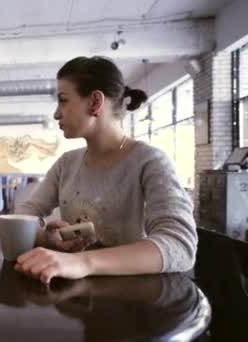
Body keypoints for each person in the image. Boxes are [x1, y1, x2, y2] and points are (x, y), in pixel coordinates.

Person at [10, 56, 197, 284]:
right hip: (77, 298)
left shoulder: (150, 162)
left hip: (136, 301)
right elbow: (26, 214)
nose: (56, 114)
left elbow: (180, 246)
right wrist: (46, 238)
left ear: (95, 102)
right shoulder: (66, 164)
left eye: (63, 100)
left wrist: (82, 262)